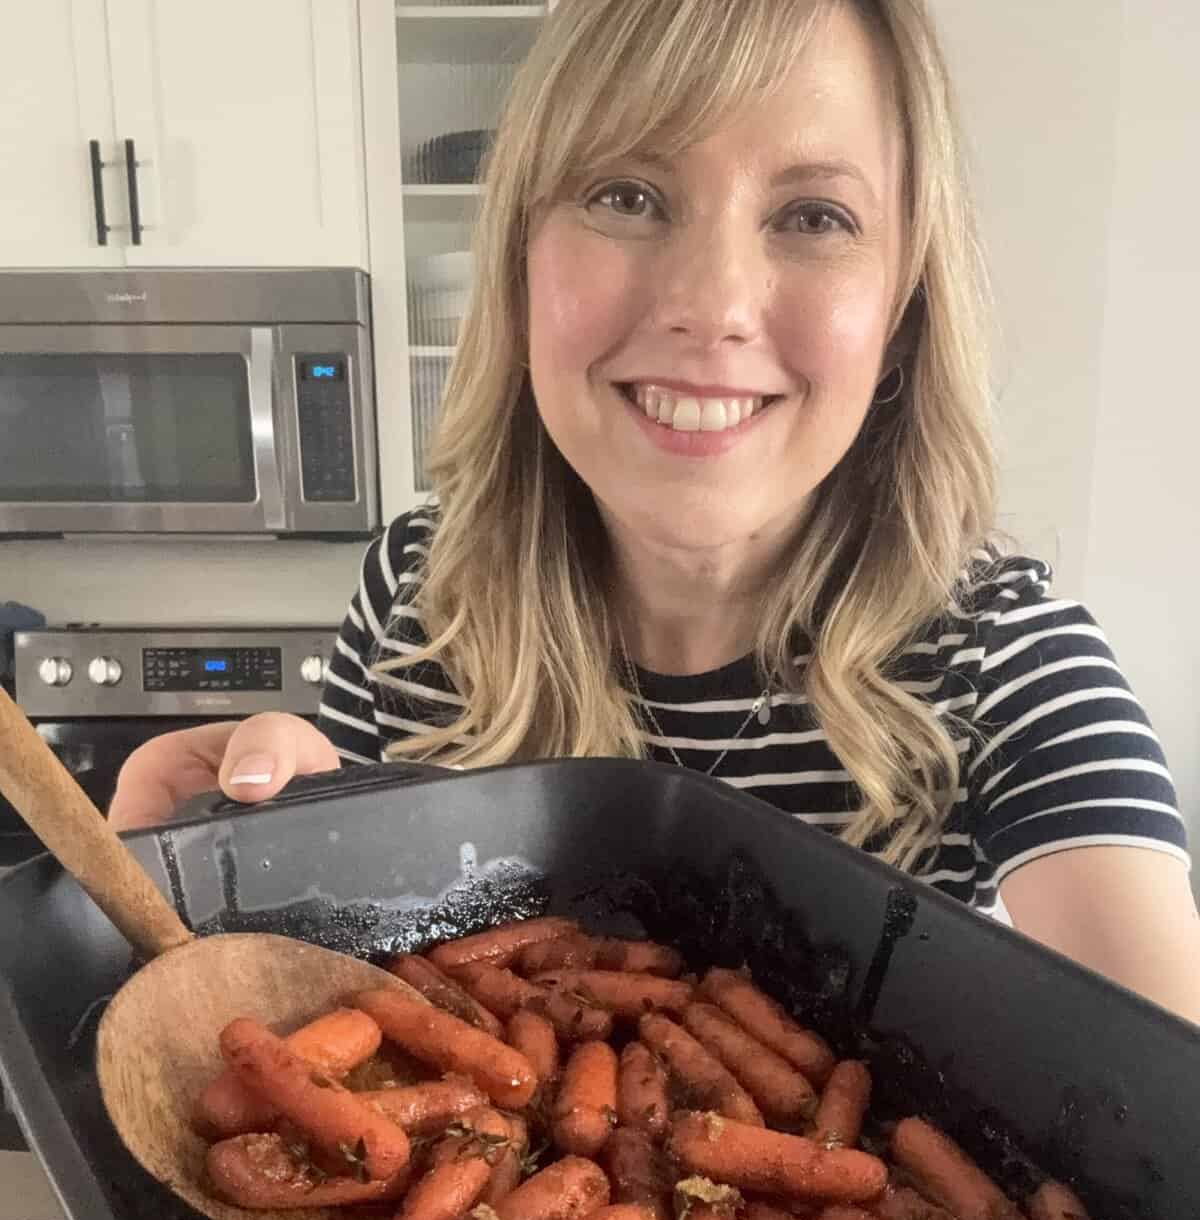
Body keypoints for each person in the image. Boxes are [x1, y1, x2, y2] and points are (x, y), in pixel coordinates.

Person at [109, 0, 1200, 1026]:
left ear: (903, 310)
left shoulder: (1002, 658)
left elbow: (1168, 1110)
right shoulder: (418, 591)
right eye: (628, 195)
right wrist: (191, 913)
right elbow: (334, 998)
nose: (711, 306)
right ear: (521, 259)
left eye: (815, 215)